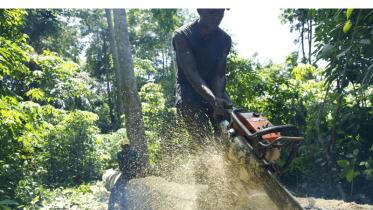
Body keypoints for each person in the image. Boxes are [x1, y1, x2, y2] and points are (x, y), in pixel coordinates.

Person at [172, 9, 232, 142]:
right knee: (196, 122)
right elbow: (191, 72)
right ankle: (205, 155)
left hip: (214, 87)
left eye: (220, 12)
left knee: (232, 119)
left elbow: (219, 75)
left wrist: (218, 100)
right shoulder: (182, 35)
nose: (217, 17)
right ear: (200, 11)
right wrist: (212, 100)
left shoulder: (225, 40)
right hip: (188, 86)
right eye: (212, 12)